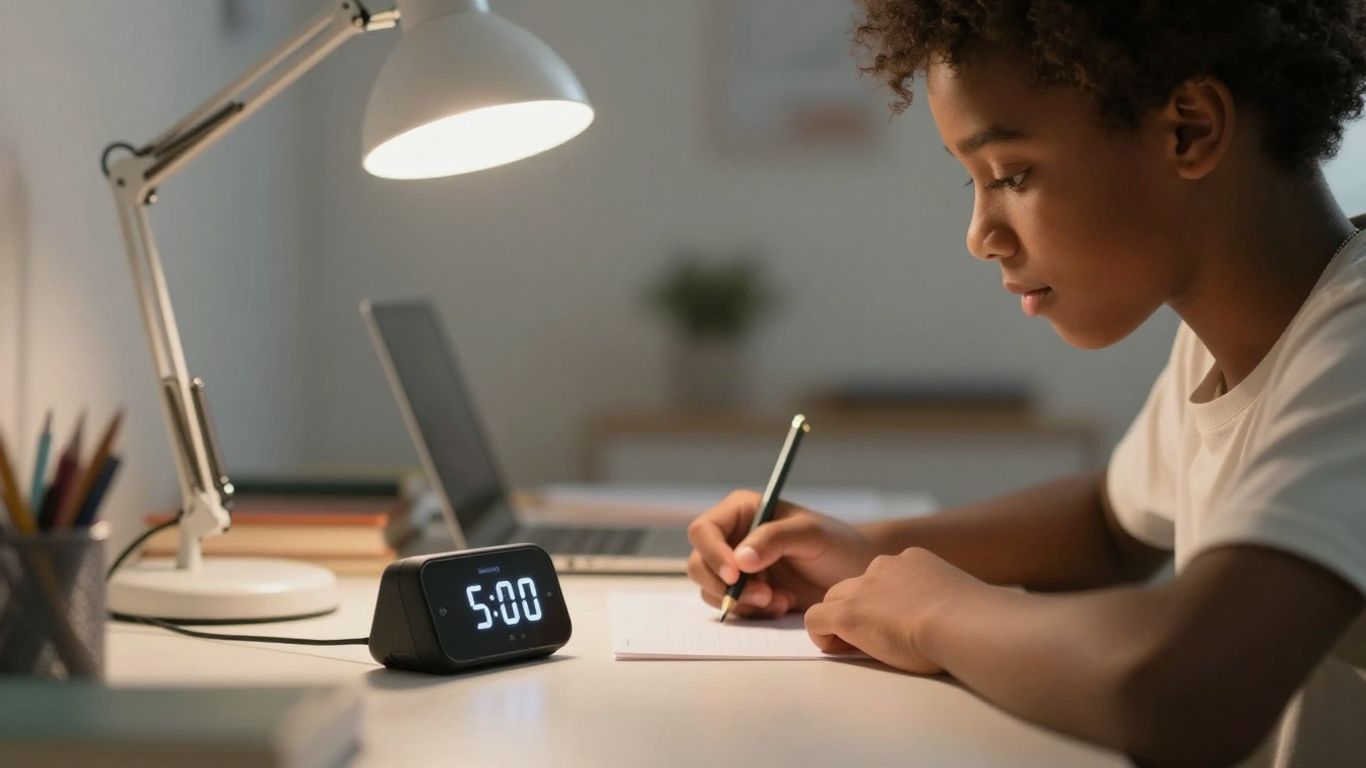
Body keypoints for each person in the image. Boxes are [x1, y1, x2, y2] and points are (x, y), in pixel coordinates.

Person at [685, 2, 1366, 765]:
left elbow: (1177, 690)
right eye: (974, 182)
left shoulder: (1355, 347)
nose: (980, 236)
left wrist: (936, 614)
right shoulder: (1229, 344)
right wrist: (863, 554)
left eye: (1011, 174)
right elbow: (1113, 527)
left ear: (1190, 129)